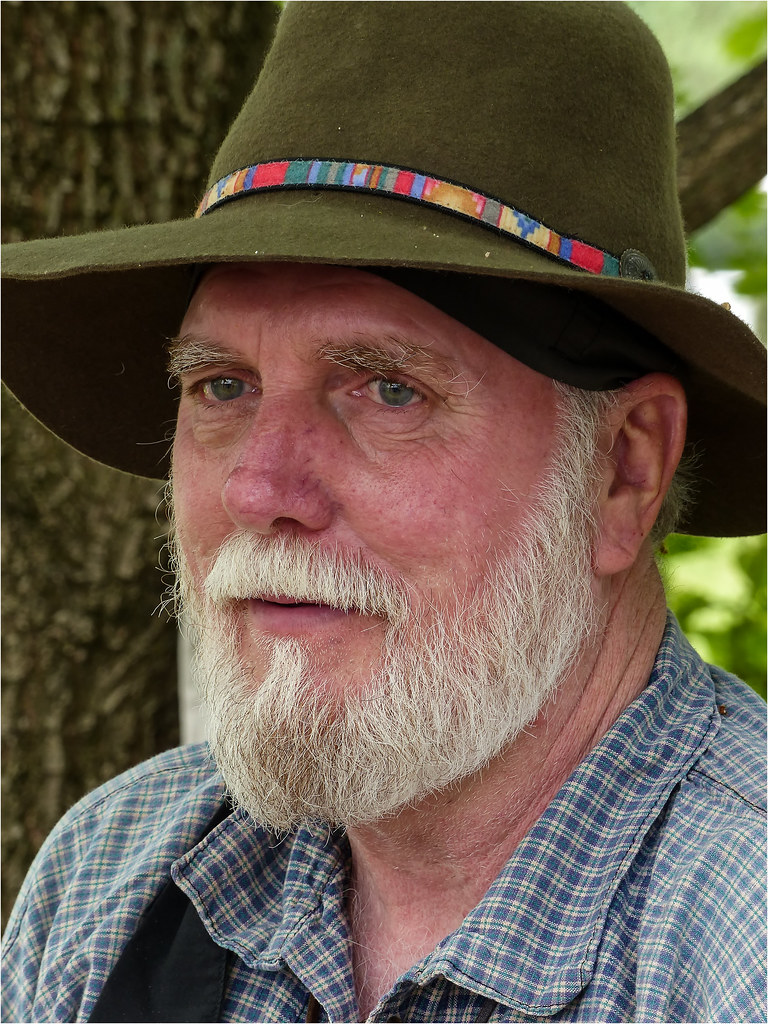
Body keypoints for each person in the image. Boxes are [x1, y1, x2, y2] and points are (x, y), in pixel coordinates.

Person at [2, 3, 765, 1022]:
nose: (261, 491)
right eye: (221, 386)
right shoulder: (115, 876)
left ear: (623, 470)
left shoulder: (738, 940)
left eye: (387, 390)